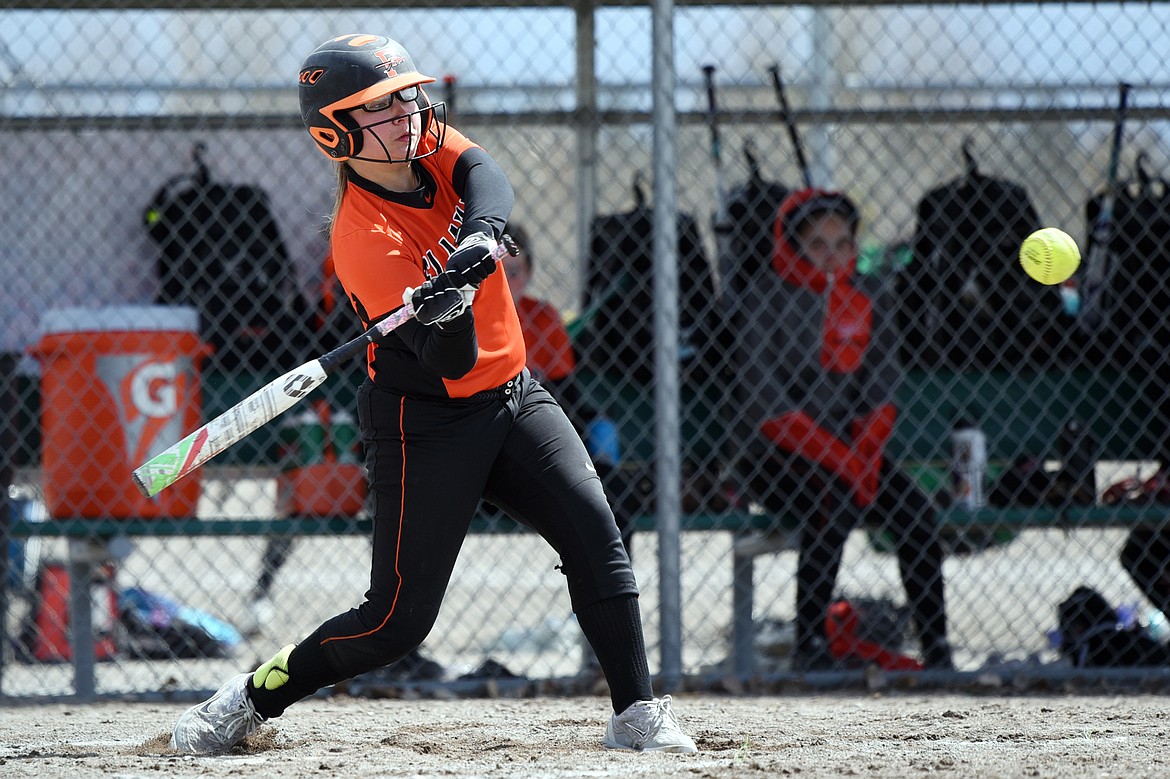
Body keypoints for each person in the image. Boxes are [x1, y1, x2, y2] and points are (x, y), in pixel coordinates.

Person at [169, 33, 695, 755]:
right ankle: (252, 695)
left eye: (407, 97)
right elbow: (451, 362)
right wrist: (443, 311)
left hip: (515, 395)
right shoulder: (363, 238)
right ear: (337, 132)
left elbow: (485, 174)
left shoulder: (423, 146)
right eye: (384, 107)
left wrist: (478, 238)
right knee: (396, 621)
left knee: (595, 536)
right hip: (427, 422)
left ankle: (636, 712)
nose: (409, 112)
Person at [726, 187, 952, 672]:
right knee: (832, 499)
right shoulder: (765, 299)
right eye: (817, 245)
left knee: (914, 510)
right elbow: (770, 409)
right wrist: (849, 464)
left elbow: (881, 389)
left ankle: (937, 649)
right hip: (774, 457)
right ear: (792, 246)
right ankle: (811, 645)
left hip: (853, 455)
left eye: (842, 244)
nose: (832, 257)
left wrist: (865, 457)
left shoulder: (868, 295)